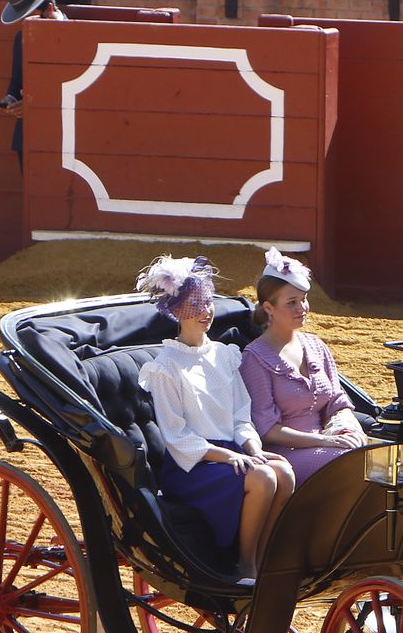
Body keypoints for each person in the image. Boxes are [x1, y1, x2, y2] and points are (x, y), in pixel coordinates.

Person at [135, 255, 295, 584]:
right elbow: (177, 436)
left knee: (284, 472)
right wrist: (229, 456)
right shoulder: (165, 366)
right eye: (195, 304)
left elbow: (240, 413)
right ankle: (244, 564)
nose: (205, 312)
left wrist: (252, 447)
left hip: (233, 452)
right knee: (263, 478)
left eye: (208, 302)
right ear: (176, 310)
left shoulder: (225, 354)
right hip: (193, 464)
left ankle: (264, 557)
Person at [238, 248, 368, 486]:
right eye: (292, 303)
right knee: (351, 463)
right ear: (268, 308)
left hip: (327, 444)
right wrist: (325, 442)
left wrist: (349, 429)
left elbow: (337, 402)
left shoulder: (316, 346)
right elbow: (268, 430)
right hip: (284, 454)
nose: (302, 308)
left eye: (304, 299)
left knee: (385, 460)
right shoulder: (254, 359)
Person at [0, 0, 68, 170]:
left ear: (49, 8)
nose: (25, 24)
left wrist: (31, 101)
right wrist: (10, 100)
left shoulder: (76, 36)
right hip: (29, 136)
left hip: (65, 135)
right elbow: (16, 83)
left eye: (30, 17)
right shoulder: (21, 39)